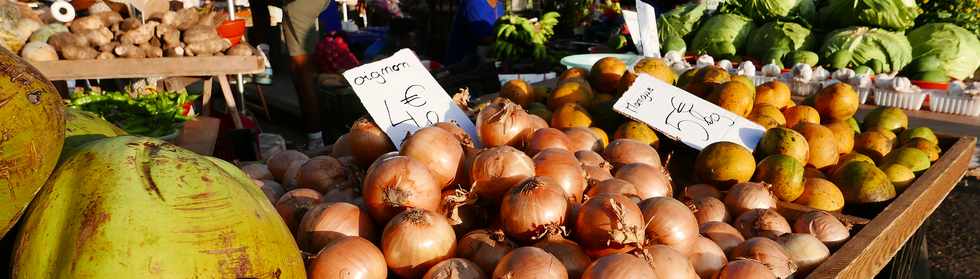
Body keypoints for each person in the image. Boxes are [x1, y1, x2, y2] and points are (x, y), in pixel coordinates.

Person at [283, 0, 335, 150]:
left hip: (299, 4)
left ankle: (317, 139)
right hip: (299, 5)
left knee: (302, 67)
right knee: (299, 67)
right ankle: (316, 135)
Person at [444, 0, 505, 66]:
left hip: (484, 65)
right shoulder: (474, 2)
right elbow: (484, 39)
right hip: (461, 68)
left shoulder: (499, 5)